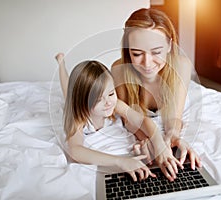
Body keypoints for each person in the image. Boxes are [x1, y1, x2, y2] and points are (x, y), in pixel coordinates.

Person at [55, 53, 182, 182]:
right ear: (83, 102)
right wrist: (120, 161)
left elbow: (143, 120)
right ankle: (61, 63)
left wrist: (159, 144)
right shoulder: (78, 117)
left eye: (111, 93)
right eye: (99, 99)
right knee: (67, 92)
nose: (108, 102)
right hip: (74, 102)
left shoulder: (115, 105)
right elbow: (75, 150)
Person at [111, 8, 202, 171]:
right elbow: (128, 118)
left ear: (169, 45)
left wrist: (173, 136)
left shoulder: (181, 65)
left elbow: (174, 116)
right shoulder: (119, 68)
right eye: (137, 53)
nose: (147, 64)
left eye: (156, 52)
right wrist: (147, 139)